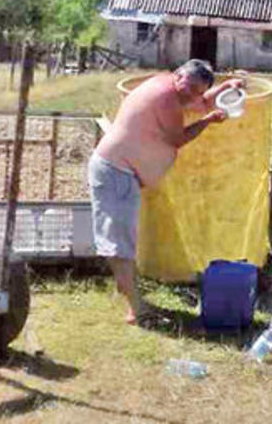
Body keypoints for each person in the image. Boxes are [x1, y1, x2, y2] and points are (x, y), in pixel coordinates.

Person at [89, 59, 243, 324]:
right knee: (119, 244)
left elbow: (200, 101)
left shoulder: (170, 87)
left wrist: (223, 87)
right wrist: (207, 121)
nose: (191, 95)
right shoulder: (166, 98)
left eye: (197, 91)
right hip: (116, 172)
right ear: (178, 75)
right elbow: (177, 138)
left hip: (121, 173)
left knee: (122, 239)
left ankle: (129, 294)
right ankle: (136, 309)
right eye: (190, 87)